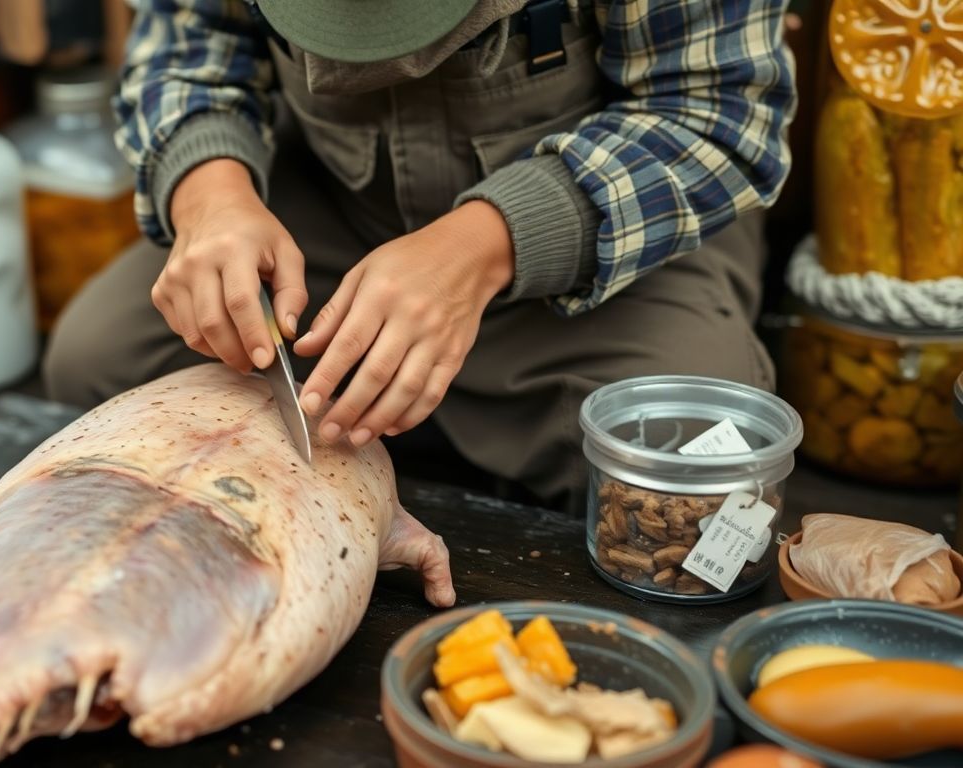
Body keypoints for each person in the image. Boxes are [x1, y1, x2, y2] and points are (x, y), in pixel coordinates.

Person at [43, 0, 795, 513]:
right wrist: (210, 195)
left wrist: (479, 247)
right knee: (97, 358)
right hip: (329, 212)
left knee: (694, 471)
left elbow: (715, 114)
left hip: (605, 237)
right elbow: (185, 51)